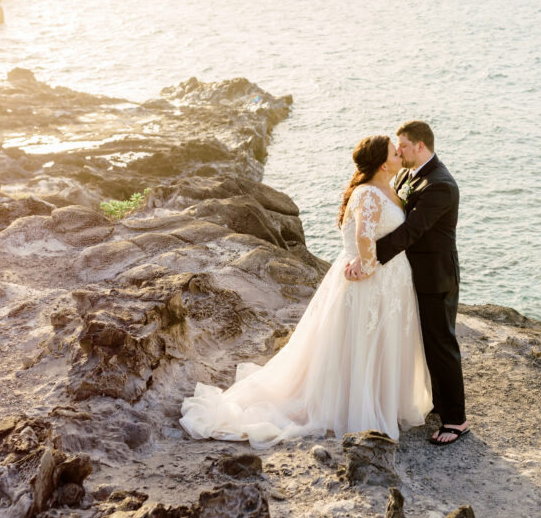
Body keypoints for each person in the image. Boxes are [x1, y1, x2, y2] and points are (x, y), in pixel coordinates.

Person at [180, 135, 432, 448]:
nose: (400, 155)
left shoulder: (388, 187)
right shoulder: (368, 193)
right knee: (362, 343)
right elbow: (364, 238)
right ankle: (356, 409)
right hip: (369, 281)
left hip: (390, 282)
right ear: (383, 164)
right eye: (396, 153)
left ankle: (383, 401)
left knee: (382, 340)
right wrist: (366, 267)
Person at [345, 121, 468, 446]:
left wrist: (368, 259)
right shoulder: (405, 176)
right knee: (423, 343)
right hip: (409, 275)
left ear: (420, 146)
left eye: (402, 146)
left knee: (441, 345)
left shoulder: (440, 184)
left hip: (436, 277)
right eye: (395, 147)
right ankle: (438, 405)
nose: (398, 151)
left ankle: (456, 420)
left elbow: (411, 230)